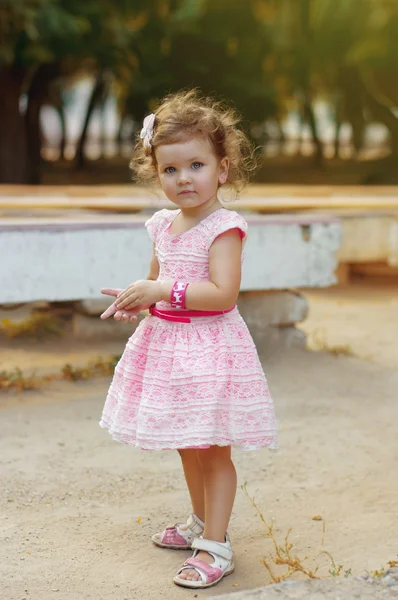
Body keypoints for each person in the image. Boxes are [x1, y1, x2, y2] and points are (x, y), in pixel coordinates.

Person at [99, 89, 277, 590]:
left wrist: (162, 290)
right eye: (171, 170)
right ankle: (200, 523)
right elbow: (160, 282)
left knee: (214, 452)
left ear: (222, 169)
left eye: (196, 165)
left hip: (212, 352)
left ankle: (216, 547)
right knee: (187, 444)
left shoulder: (224, 228)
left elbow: (221, 295)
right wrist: (141, 300)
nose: (184, 179)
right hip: (171, 351)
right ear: (156, 174)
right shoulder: (162, 224)